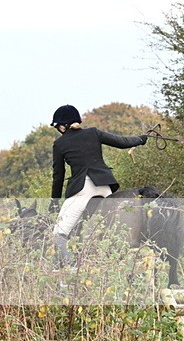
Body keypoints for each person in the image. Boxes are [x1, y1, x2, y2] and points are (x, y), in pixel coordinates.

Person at [49, 104, 149, 266]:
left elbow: (58, 176)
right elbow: (122, 142)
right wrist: (142, 139)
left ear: (63, 126)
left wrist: (54, 202)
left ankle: (70, 271)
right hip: (105, 187)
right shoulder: (94, 132)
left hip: (83, 189)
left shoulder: (59, 144)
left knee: (58, 234)